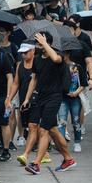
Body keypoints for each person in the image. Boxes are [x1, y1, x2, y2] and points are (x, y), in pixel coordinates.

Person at [21, 33, 76, 174]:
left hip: (54, 97)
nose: (38, 45)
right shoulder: (37, 59)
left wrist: (45, 43)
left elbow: (57, 59)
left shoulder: (57, 56)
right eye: (37, 43)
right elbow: (34, 79)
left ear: (47, 43)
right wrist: (27, 98)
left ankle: (36, 164)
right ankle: (68, 159)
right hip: (41, 98)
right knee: (53, 130)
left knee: (43, 130)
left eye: (40, 43)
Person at [58, 51, 84, 153]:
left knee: (76, 121)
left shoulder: (78, 67)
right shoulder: (58, 67)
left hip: (75, 98)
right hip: (62, 98)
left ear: (68, 54)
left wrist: (76, 92)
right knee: (62, 121)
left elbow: (83, 83)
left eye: (62, 54)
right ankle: (61, 143)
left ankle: (77, 142)